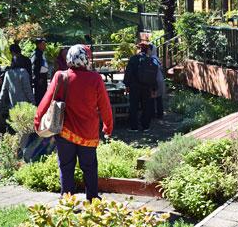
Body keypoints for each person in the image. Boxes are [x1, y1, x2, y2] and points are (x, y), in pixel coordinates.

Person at [34, 45, 113, 201]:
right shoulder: (95, 79)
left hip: (65, 132)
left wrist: (38, 121)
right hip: (88, 134)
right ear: (85, 60)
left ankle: (68, 200)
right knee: (89, 168)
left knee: (66, 167)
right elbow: (105, 106)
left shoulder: (60, 76)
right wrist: (107, 126)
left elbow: (46, 101)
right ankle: (92, 199)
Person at [124, 42, 158, 131]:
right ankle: (145, 126)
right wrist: (154, 89)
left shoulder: (133, 59)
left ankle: (134, 127)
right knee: (146, 107)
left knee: (133, 106)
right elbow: (154, 76)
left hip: (134, 87)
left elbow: (128, 73)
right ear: (148, 50)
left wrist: (127, 85)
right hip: (147, 87)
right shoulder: (151, 60)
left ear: (139, 49)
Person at [149, 43, 165, 119]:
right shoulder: (156, 58)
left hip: (155, 80)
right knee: (159, 98)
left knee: (153, 98)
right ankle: (160, 113)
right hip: (160, 79)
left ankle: (153, 114)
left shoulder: (152, 59)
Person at [31, 38, 50, 104]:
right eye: (43, 44)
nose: (45, 46)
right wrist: (39, 78)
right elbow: (35, 67)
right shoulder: (37, 54)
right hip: (40, 78)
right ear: (39, 45)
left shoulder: (41, 53)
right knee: (40, 95)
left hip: (43, 77)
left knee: (43, 93)